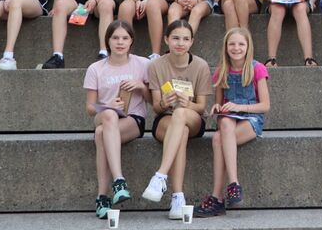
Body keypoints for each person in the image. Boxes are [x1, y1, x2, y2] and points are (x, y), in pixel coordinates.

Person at [195, 27, 271, 217]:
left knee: (218, 139)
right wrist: (216, 107)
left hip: (251, 118)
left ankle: (218, 197)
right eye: (232, 44)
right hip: (229, 120)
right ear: (226, 47)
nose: (236, 48)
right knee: (223, 126)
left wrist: (238, 107)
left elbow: (265, 105)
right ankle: (233, 186)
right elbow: (220, 104)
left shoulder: (257, 68)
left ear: (248, 46)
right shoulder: (222, 71)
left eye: (241, 44)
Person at [141, 20, 213, 219]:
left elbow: (201, 107)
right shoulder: (156, 65)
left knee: (181, 114)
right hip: (166, 118)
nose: (180, 43)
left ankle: (160, 176)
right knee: (180, 131)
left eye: (185, 39)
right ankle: (178, 198)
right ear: (166, 40)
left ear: (191, 42)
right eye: (175, 38)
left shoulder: (200, 65)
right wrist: (164, 102)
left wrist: (186, 103)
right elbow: (156, 108)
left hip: (192, 117)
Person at [85, 21, 150, 219]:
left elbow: (154, 101)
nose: (120, 42)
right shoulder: (96, 68)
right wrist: (108, 105)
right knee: (109, 115)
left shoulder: (143, 64)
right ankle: (119, 180)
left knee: (100, 134)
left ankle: (102, 197)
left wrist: (141, 87)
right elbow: (90, 108)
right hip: (104, 115)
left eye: (125, 38)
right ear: (108, 41)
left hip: (132, 119)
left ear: (131, 41)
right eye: (115, 38)